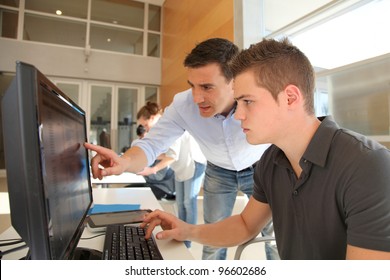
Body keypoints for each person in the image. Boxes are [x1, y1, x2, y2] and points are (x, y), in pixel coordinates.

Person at [140, 38, 390, 260]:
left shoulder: (368, 165)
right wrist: (187, 230)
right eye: (238, 102)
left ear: (290, 98)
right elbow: (245, 224)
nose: (238, 115)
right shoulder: (271, 160)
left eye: (248, 101)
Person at [85, 38, 276, 260]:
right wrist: (125, 162)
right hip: (218, 170)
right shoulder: (183, 105)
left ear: (233, 81)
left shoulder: (256, 98)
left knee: (274, 235)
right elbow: (151, 144)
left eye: (206, 87)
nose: (196, 98)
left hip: (260, 167)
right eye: (191, 86)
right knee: (212, 238)